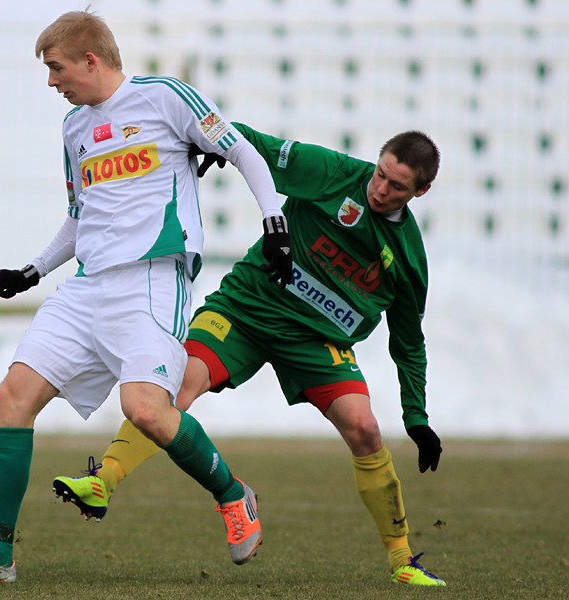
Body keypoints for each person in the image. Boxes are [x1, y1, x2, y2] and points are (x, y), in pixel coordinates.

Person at [0, 10, 293, 584]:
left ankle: (233, 495)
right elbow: (80, 215)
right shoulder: (74, 128)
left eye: (56, 68)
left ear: (90, 60)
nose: (52, 82)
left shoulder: (166, 98)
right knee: (10, 398)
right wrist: (34, 269)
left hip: (151, 280)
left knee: (145, 411)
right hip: (87, 286)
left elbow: (243, 151)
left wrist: (274, 219)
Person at [52, 124, 448, 586]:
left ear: (420, 191)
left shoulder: (407, 258)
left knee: (364, 429)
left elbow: (408, 343)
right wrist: (218, 143)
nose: (380, 188)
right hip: (246, 308)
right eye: (380, 174)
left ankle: (402, 562)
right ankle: (105, 480)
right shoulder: (334, 174)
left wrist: (416, 418)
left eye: (396, 185)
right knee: (175, 387)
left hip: (316, 341)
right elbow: (254, 144)